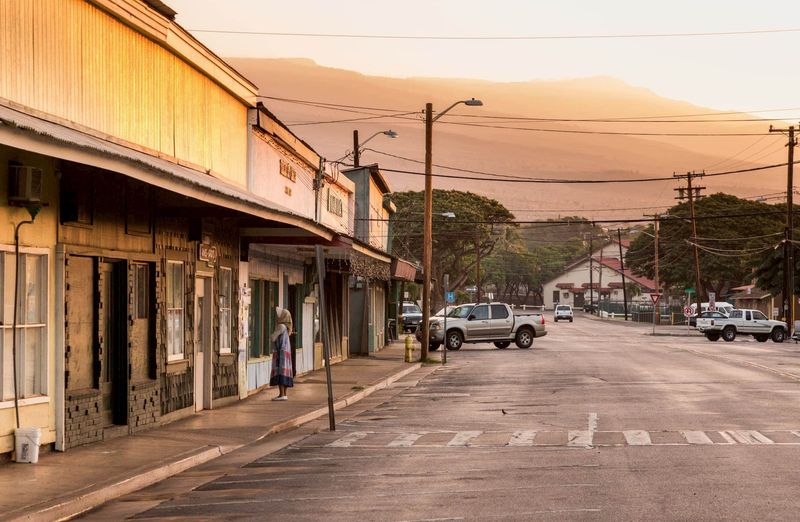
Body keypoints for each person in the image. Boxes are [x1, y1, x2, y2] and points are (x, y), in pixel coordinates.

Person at [270, 307, 294, 401]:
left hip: (281, 352)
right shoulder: (287, 328)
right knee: (285, 372)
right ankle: (284, 394)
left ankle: (282, 394)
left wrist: (271, 334)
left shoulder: (281, 327)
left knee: (280, 372)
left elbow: (273, 338)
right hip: (286, 352)